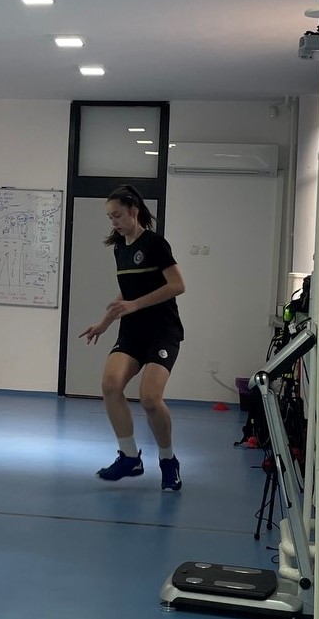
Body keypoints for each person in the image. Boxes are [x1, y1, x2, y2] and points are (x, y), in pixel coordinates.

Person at [79, 184, 185, 491]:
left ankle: (168, 460)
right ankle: (129, 457)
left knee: (150, 399)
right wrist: (104, 323)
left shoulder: (154, 243)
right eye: (110, 217)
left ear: (133, 212)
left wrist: (135, 305)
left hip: (163, 332)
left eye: (118, 215)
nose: (114, 222)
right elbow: (127, 292)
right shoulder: (120, 248)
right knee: (110, 385)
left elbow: (177, 285)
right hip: (132, 332)